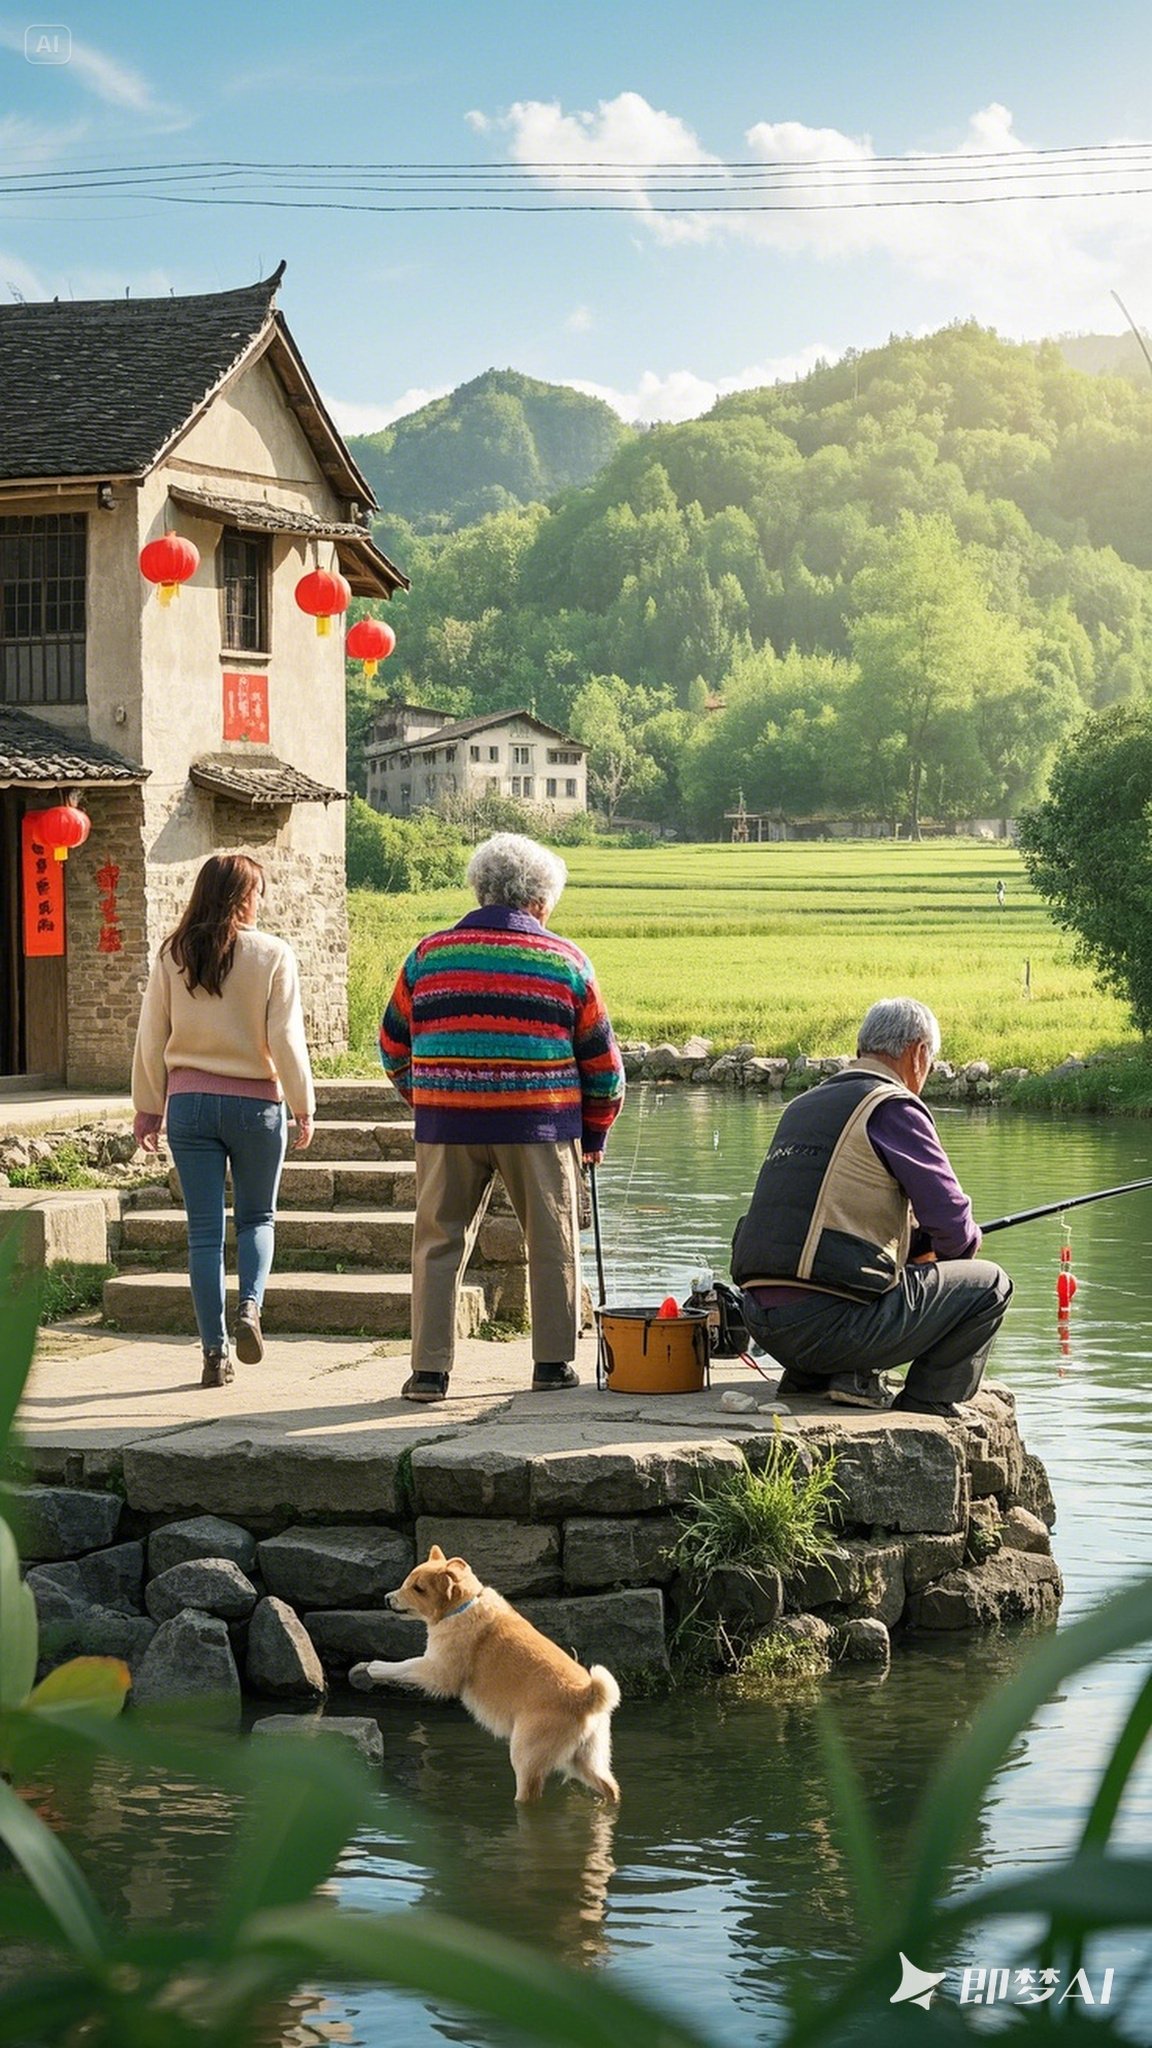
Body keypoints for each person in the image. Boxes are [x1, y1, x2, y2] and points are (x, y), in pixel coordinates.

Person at [379, 832, 625, 1403]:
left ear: (482, 889)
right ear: (538, 901)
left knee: (438, 1242)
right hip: (539, 1125)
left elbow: (392, 1046)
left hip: (448, 1126)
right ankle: (552, 1365)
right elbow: (604, 1066)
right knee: (552, 1240)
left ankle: (429, 1374)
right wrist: (596, 1131)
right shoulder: (565, 961)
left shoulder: (427, 956)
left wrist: (432, 1100)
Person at [731, 996, 1012, 1416]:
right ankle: (927, 1402)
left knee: (882, 1276)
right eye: (930, 1061)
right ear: (918, 1054)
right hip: (827, 1327)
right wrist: (956, 1259)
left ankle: (816, 1378)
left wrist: (915, 1252)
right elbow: (953, 1228)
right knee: (990, 1286)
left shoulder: (802, 1105)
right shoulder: (893, 1107)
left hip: (763, 1325)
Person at [131, 853, 315, 1387]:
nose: (263, 901)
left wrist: (148, 1105)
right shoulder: (273, 954)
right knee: (257, 1219)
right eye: (259, 891)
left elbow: (151, 1034)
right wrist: (302, 1103)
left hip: (188, 1105)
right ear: (243, 896)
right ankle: (250, 1310)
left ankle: (214, 1354)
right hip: (256, 1105)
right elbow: (284, 1039)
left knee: (204, 1235)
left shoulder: (173, 953)